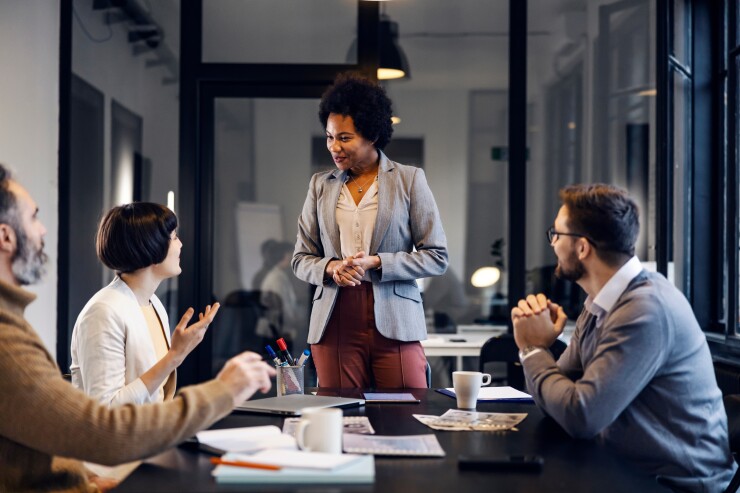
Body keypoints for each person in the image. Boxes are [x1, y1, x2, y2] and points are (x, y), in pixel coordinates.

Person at [0, 163, 275, 492]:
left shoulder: (153, 303)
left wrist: (176, 355)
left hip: (136, 455)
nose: (43, 230)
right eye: (33, 217)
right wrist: (222, 390)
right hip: (119, 461)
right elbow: (101, 423)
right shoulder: (99, 312)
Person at [511, 183, 735, 492]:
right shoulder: (599, 303)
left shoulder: (646, 309)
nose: (552, 245)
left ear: (582, 247)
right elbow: (554, 400)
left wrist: (533, 349)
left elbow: (580, 415)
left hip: (676, 485)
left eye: (556, 235)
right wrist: (541, 349)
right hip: (620, 472)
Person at [292, 72, 448, 388]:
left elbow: (436, 257)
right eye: (329, 136)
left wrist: (378, 263)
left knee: (406, 416)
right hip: (335, 316)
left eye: (344, 138)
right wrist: (332, 267)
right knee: (340, 418)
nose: (333, 147)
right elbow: (301, 259)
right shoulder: (320, 186)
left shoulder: (409, 180)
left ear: (372, 135)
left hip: (397, 317)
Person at [70, 203, 217, 406]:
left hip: (154, 432)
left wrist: (180, 352)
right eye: (174, 237)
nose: (181, 244)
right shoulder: (102, 312)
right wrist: (174, 356)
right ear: (152, 247)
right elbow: (106, 408)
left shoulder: (153, 303)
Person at [259, 241, 308, 350]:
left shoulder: (278, 275)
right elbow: (284, 306)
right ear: (285, 255)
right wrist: (295, 322)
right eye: (291, 254)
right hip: (277, 331)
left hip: (278, 329)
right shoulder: (277, 278)